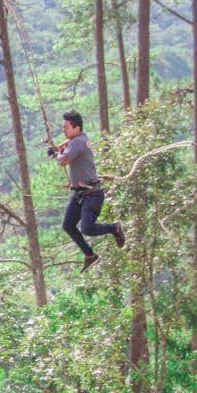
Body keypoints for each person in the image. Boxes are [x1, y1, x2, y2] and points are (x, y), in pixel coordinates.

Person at [48, 110, 125, 272]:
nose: (64, 130)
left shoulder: (78, 143)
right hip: (80, 193)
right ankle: (90, 255)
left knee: (87, 228)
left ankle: (114, 228)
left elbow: (63, 161)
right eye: (63, 127)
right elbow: (66, 149)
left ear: (77, 128)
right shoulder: (79, 140)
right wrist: (58, 149)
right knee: (68, 225)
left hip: (92, 194)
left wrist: (56, 154)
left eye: (67, 127)